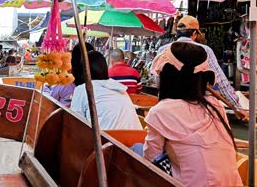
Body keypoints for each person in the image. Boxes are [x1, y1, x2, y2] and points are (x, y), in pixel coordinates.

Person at [138, 42, 242, 186]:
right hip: (232, 183)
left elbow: (149, 160)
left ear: (167, 76)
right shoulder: (216, 105)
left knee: (136, 149)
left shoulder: (161, 112)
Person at [158, 15, 249, 121]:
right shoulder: (204, 50)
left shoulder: (163, 50)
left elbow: (157, 78)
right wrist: (236, 106)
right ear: (194, 34)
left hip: (167, 105)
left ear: (177, 33)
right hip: (196, 106)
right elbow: (220, 80)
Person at [71, 50, 142, 130]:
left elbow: (74, 123)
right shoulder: (119, 88)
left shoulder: (83, 89)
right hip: (135, 139)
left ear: (83, 71)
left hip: (105, 140)